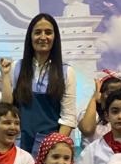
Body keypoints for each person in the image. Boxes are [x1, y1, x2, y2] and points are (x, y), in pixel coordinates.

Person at [11, 13, 77, 155]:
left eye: (48, 32)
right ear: (30, 37)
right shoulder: (16, 67)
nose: (43, 37)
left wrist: (53, 149)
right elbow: (7, 106)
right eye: (37, 32)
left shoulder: (66, 72)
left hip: (50, 147)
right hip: (19, 144)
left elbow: (68, 118)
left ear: (55, 37)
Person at [78, 71, 121, 147]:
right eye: (110, 93)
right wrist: (94, 98)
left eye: (119, 92)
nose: (115, 96)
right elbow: (87, 129)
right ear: (101, 95)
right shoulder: (91, 114)